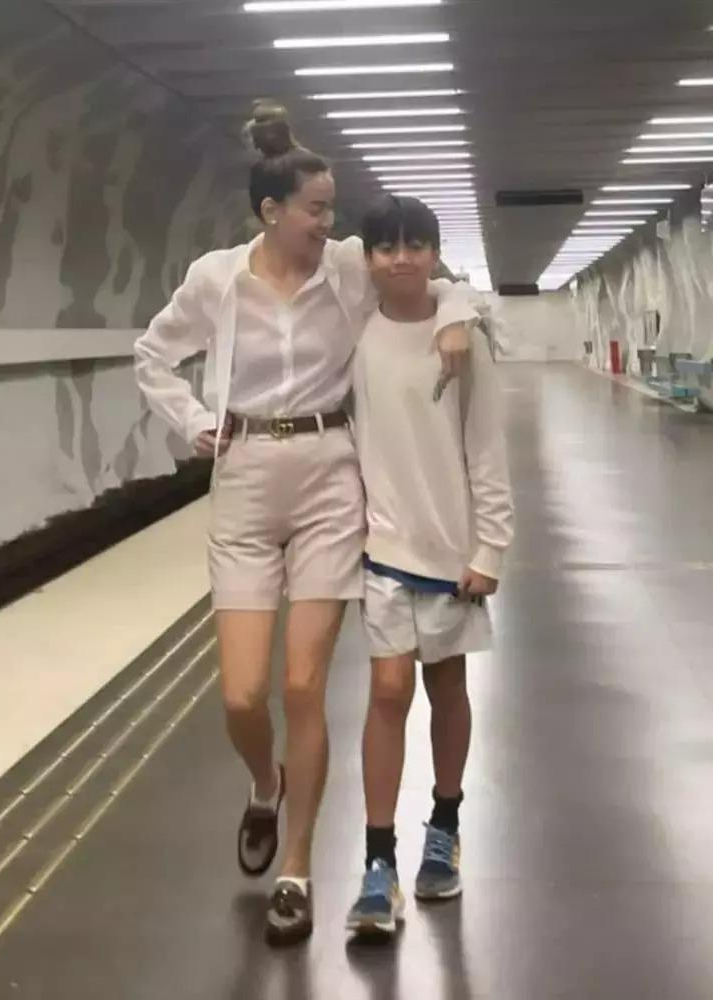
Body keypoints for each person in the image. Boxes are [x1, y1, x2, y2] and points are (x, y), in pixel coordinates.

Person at [134, 103, 473, 947]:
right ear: (271, 212)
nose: (331, 222)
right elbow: (152, 353)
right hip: (245, 476)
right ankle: (265, 784)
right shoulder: (217, 279)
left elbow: (437, 278)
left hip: (329, 475)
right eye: (317, 209)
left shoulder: (350, 268)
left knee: (302, 688)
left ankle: (296, 869)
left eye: (332, 208)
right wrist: (192, 420)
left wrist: (457, 318)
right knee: (243, 696)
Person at [345, 195, 514, 937]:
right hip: (382, 546)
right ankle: (377, 861)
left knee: (447, 685)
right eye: (386, 247)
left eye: (416, 245)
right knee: (388, 690)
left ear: (435, 254)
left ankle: (445, 825)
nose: (401, 259)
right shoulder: (357, 329)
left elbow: (487, 446)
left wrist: (490, 547)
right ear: (368, 258)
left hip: (450, 550)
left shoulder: (463, 342)